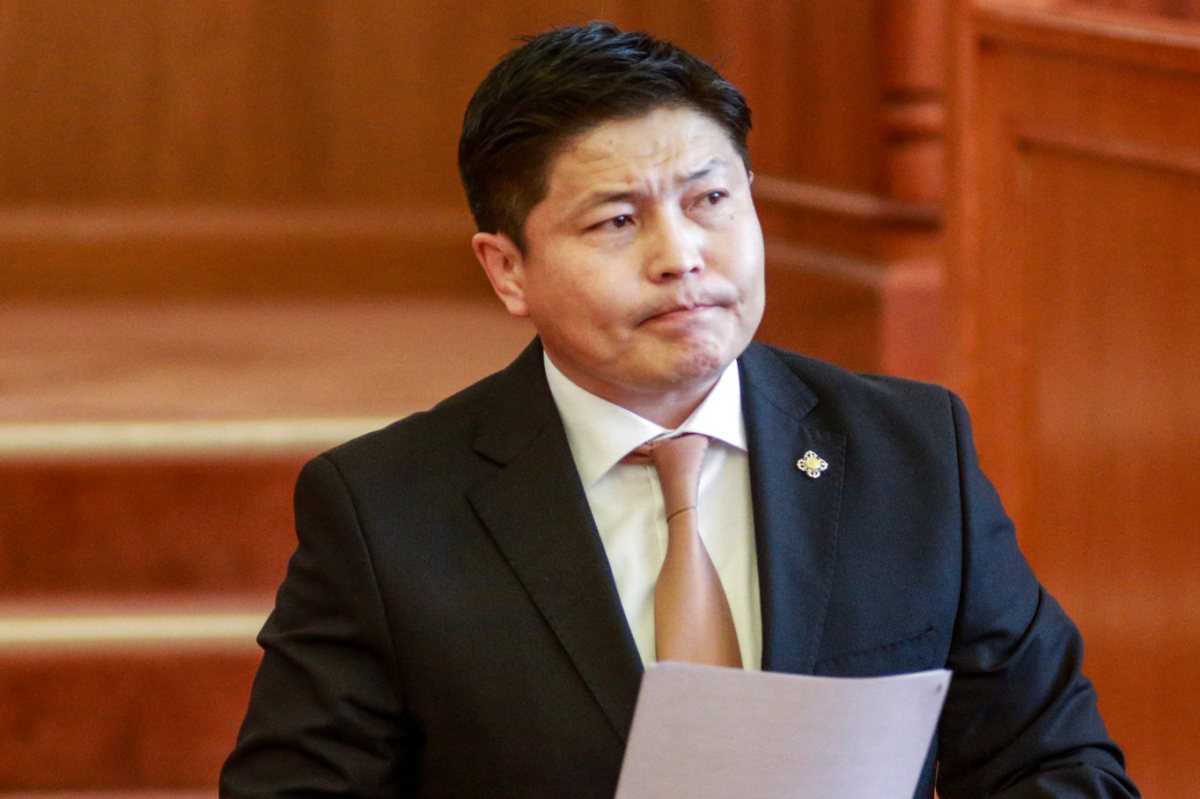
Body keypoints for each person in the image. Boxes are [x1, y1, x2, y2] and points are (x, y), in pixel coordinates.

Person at [220, 22, 1139, 799]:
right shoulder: (387, 510)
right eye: (617, 221)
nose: (682, 255)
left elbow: (1059, 764)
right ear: (507, 269)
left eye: (710, 201)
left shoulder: (911, 452)